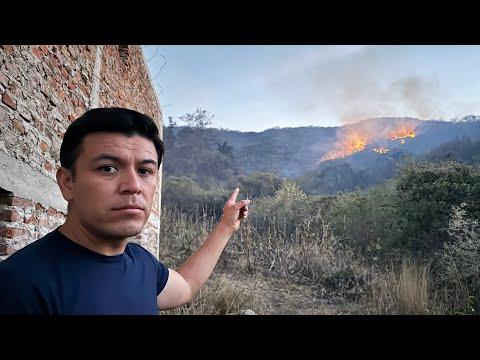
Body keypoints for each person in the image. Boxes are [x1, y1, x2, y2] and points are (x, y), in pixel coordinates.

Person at [0, 107, 250, 314]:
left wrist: (226, 226)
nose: (133, 186)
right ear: (67, 182)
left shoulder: (141, 263)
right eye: (108, 168)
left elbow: (185, 286)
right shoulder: (20, 285)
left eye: (145, 171)